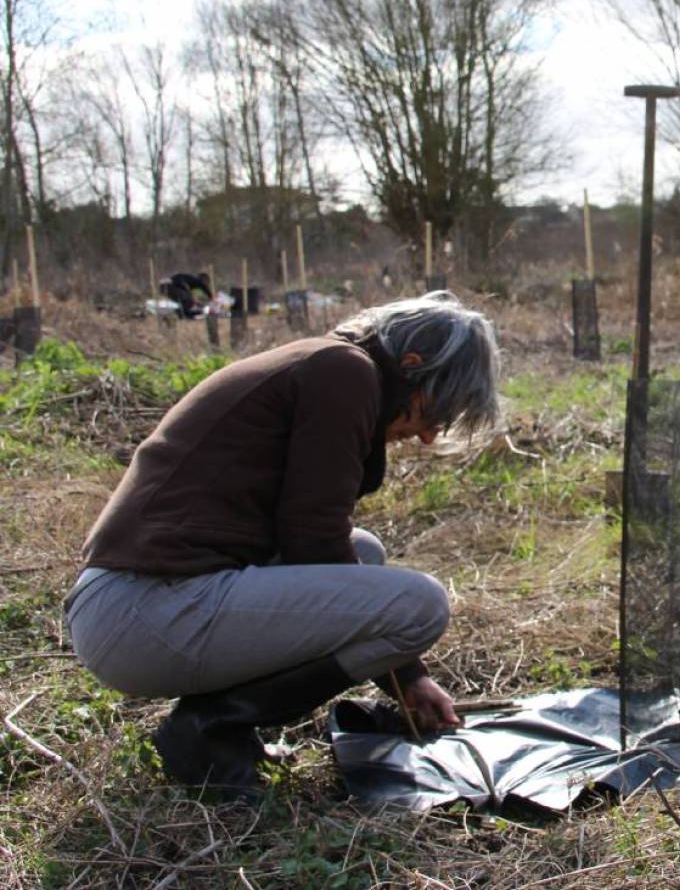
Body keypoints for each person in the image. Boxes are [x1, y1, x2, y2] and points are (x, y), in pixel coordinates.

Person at [65, 291, 500, 800]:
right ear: (409, 367)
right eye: (432, 414)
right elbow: (312, 539)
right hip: (142, 614)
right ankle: (207, 732)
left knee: (367, 553)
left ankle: (217, 727)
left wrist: (403, 676)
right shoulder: (344, 373)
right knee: (419, 607)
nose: (426, 437)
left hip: (133, 606)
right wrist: (406, 676)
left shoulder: (327, 364)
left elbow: (318, 539)